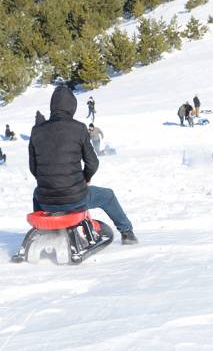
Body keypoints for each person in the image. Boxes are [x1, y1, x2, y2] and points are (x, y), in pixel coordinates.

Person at [29, 86, 137, 244]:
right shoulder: (79, 128)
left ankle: (44, 231)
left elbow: (34, 168)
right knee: (108, 196)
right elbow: (93, 163)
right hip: (75, 197)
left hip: (46, 200)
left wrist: (48, 182)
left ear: (52, 106)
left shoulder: (36, 131)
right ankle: (127, 233)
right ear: (72, 106)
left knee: (37, 193)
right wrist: (85, 178)